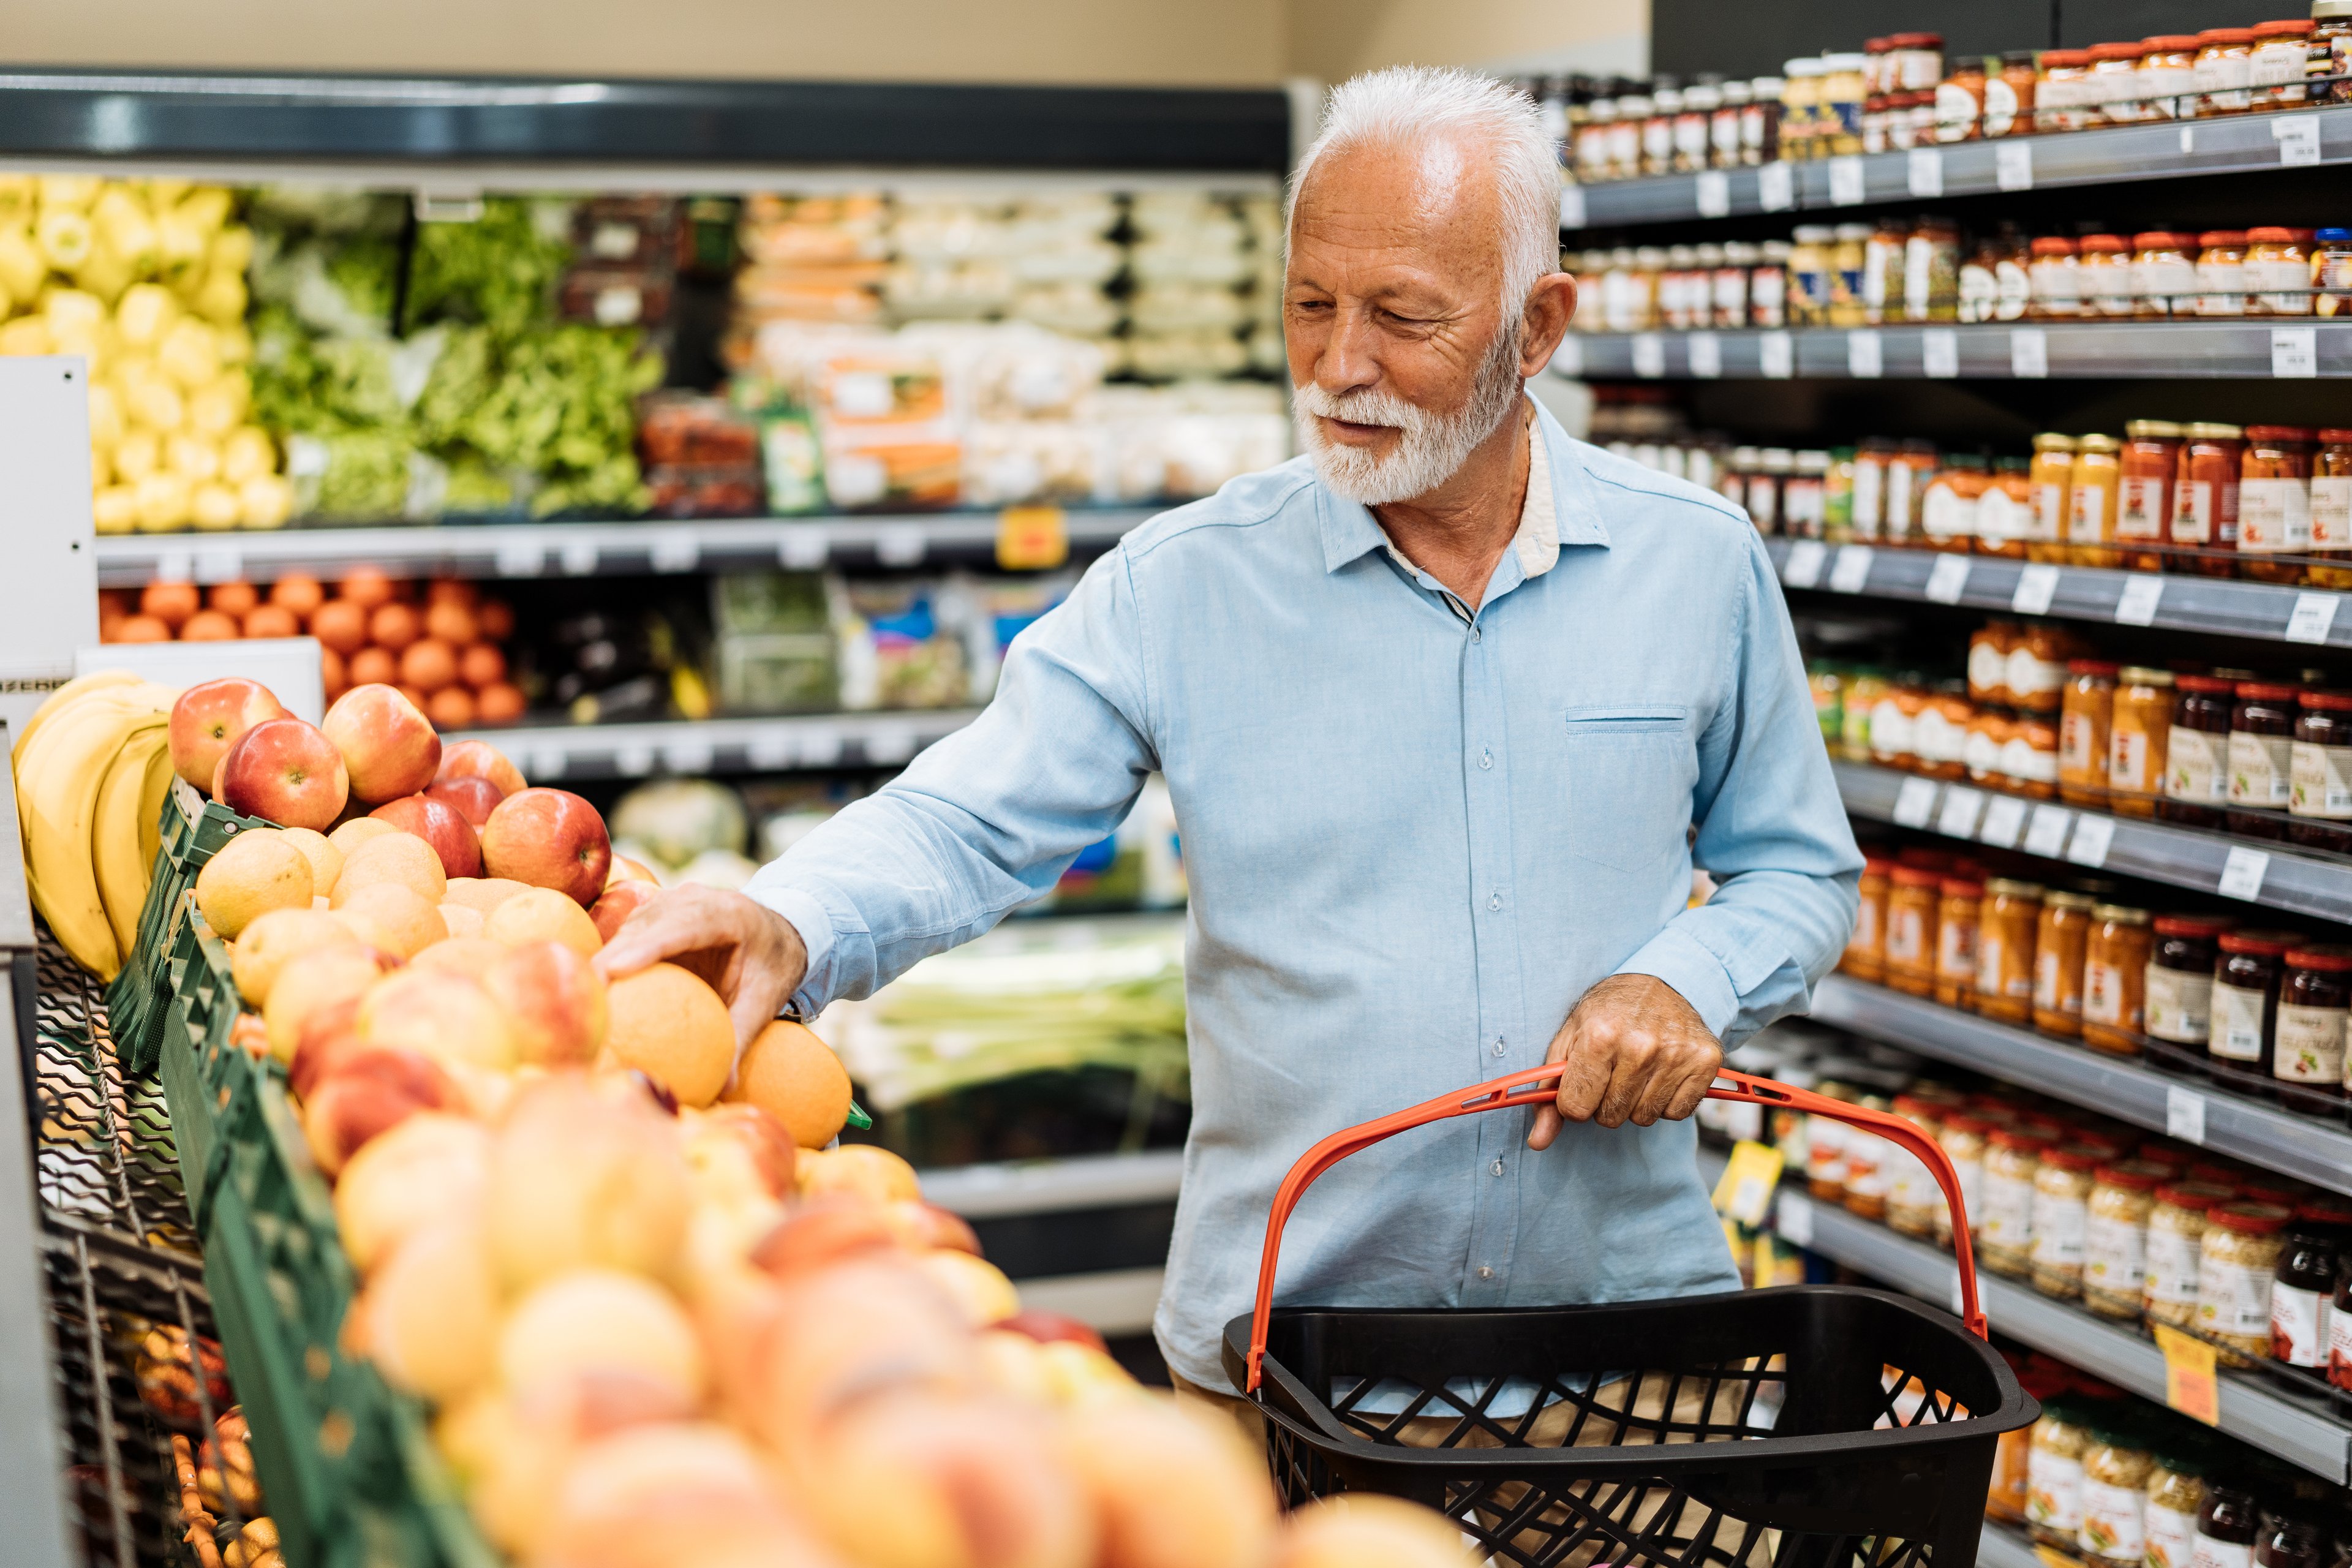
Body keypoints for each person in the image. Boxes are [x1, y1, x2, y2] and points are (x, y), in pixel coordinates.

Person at [595, 65, 1860, 1425]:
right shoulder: (1184, 582)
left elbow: (1798, 870)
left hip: (1629, 1357)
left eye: (1404, 318)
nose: (1339, 365)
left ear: (1539, 325)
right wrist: (789, 915)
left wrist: (1687, 977)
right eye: (1310, 304)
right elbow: (972, 816)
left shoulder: (1695, 565)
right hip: (1296, 1372)